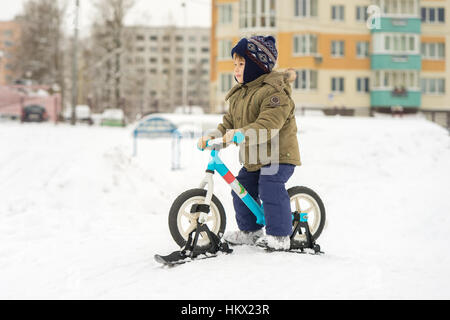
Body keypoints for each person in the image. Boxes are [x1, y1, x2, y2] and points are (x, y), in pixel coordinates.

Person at [197, 36, 301, 251]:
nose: (236, 69)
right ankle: (250, 231)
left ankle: (280, 236)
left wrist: (242, 133)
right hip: (255, 158)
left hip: (277, 156)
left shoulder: (275, 93)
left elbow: (268, 125)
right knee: (240, 188)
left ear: (257, 66)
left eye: (241, 64)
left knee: (270, 187)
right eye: (234, 64)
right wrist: (213, 135)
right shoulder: (240, 94)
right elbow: (228, 123)